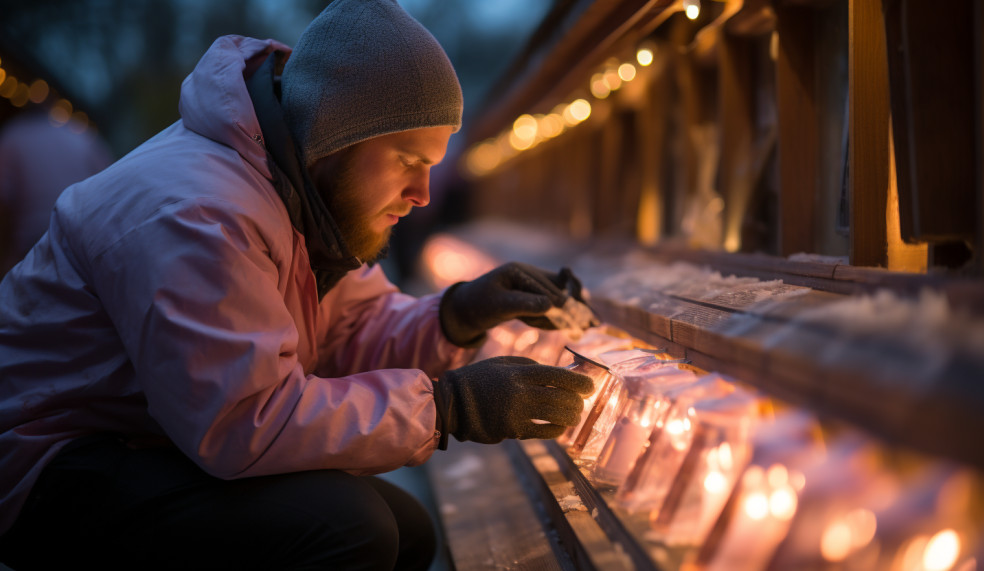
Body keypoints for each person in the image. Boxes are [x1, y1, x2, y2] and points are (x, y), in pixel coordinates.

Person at [0, 1, 598, 569]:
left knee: (406, 532)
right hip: (47, 465)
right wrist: (448, 408)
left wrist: (460, 313)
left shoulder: (300, 196)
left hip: (142, 439)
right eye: (408, 160)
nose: (424, 196)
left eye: (434, 166)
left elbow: (351, 334)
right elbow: (242, 420)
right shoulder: (199, 212)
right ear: (337, 137)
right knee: (349, 529)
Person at [0, 109, 113, 276]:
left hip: (31, 251)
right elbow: (108, 184)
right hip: (82, 245)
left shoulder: (13, 136)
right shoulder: (81, 134)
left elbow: (4, 203)